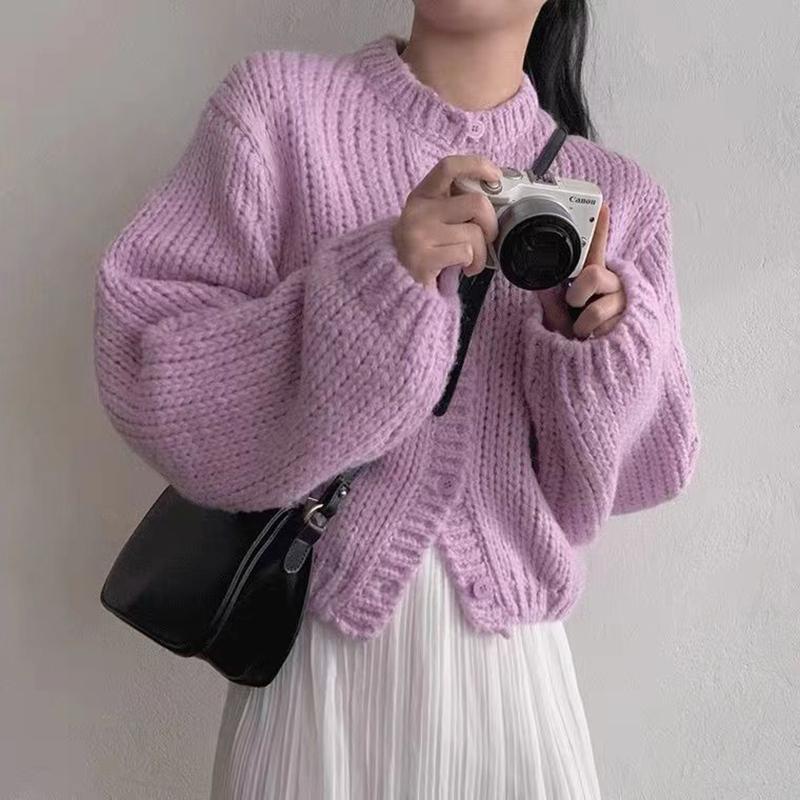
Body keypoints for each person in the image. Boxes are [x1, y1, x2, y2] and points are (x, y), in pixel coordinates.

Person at [92, 1, 701, 798]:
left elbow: (649, 467)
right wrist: (378, 279)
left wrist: (604, 351)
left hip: (514, 678)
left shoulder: (616, 197)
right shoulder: (279, 111)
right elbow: (149, 365)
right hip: (315, 666)